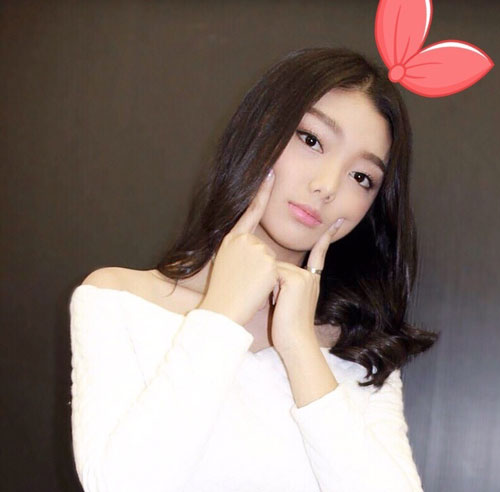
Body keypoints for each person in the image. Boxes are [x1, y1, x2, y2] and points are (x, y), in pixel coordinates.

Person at [69, 47, 438, 492]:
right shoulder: (118, 299)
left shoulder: (359, 352)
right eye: (312, 140)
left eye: (361, 177)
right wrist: (221, 315)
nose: (326, 186)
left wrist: (300, 345)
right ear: (261, 131)